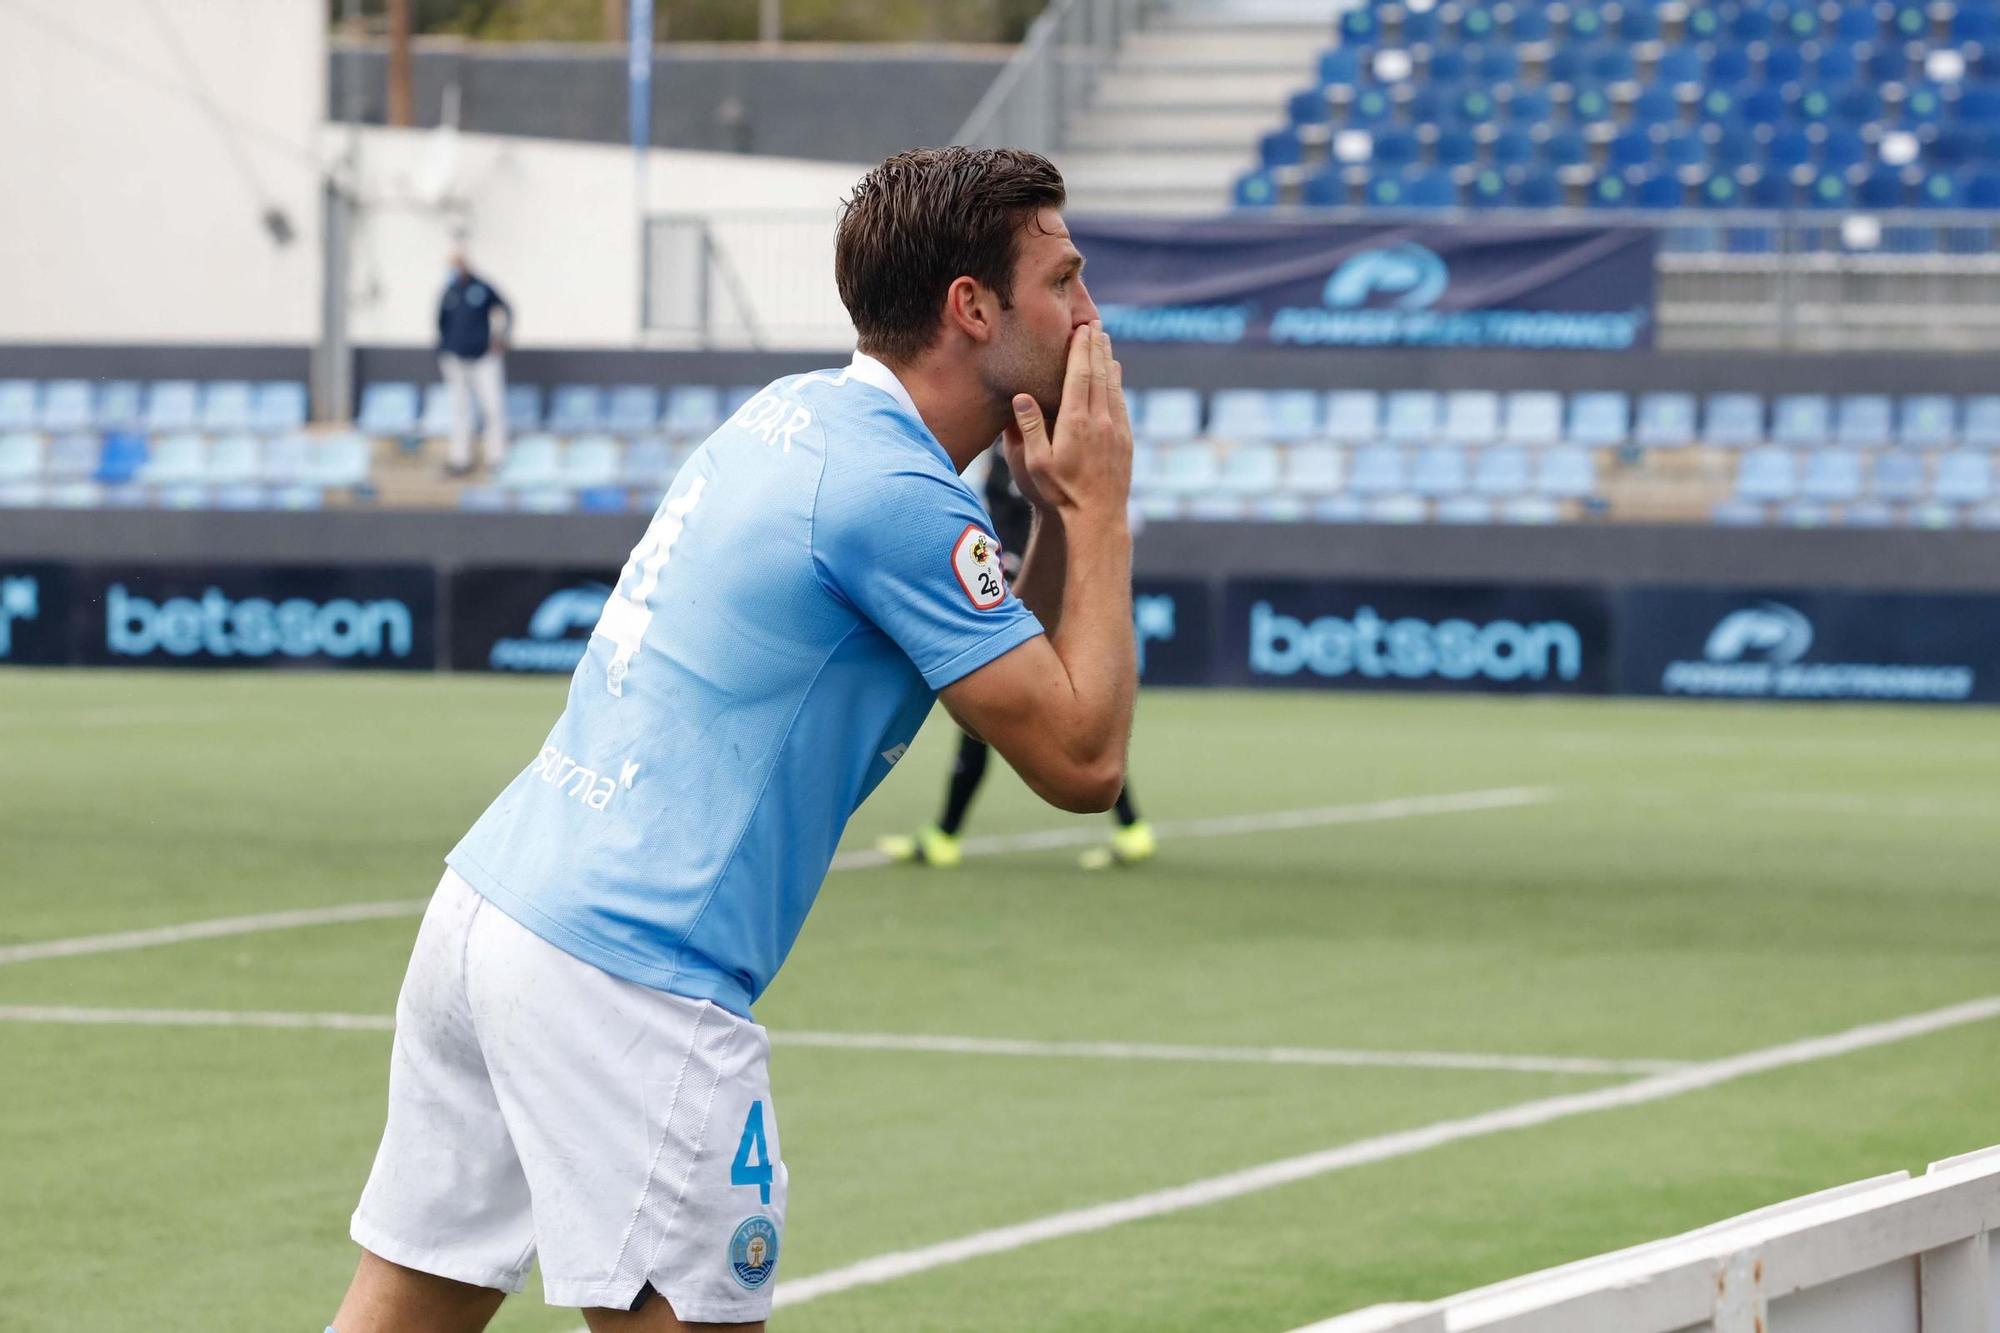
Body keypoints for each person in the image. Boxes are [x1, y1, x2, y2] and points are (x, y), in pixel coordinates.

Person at [330, 146, 1135, 1333]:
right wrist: (1106, 503)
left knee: (405, 1311)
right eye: (1062, 279)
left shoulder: (799, 414)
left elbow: (1024, 663)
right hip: (627, 968)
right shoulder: (895, 497)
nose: (1088, 313)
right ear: (972, 307)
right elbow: (1082, 761)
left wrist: (1058, 514)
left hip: (492, 911)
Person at [876, 446, 1156, 871]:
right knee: (1001, 714)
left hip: (1035, 596)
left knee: (993, 712)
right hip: (1016, 589)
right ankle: (1131, 827)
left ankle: (945, 836)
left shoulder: (1039, 453)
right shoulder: (1004, 453)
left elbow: (1068, 521)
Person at [437, 250, 512, 477]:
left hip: (483, 358)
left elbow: (505, 310)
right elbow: (441, 323)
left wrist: (501, 337)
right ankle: (461, 459)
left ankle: (496, 458)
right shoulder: (449, 292)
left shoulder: (482, 288)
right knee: (460, 409)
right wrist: (446, 350)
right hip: (457, 359)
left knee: (492, 407)